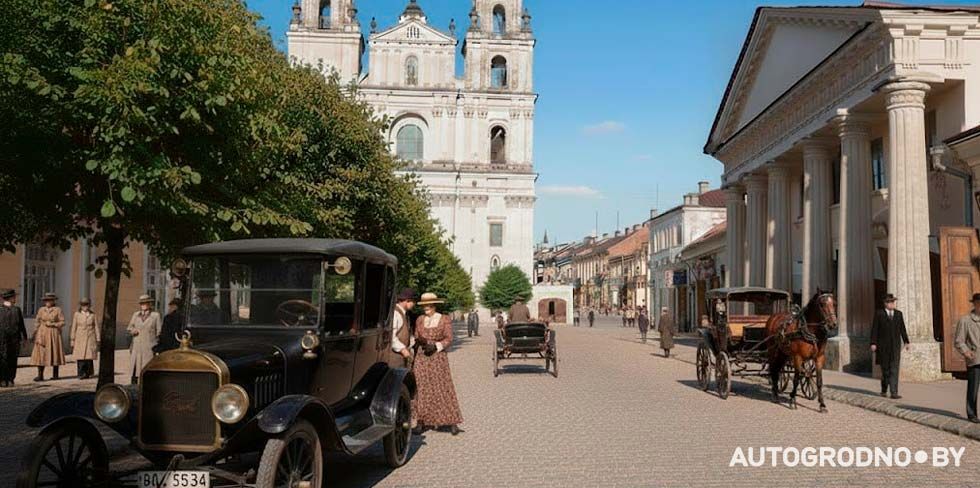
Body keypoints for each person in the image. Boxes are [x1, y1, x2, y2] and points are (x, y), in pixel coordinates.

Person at [412, 292, 463, 435]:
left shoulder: (444, 319)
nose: (426, 308)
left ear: (434, 305)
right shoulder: (420, 319)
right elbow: (416, 335)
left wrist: (436, 346)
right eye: (424, 305)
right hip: (422, 358)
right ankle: (421, 421)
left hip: (438, 357)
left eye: (428, 305)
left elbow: (449, 338)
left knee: (442, 387)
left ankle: (451, 420)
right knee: (421, 387)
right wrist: (417, 343)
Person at [870, 293, 910, 399]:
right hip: (883, 347)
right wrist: (873, 343)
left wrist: (906, 341)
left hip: (895, 346)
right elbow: (875, 329)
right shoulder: (879, 314)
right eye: (890, 302)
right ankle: (884, 390)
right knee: (886, 371)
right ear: (885, 304)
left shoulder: (898, 314)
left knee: (894, 369)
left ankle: (894, 392)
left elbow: (902, 328)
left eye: (893, 302)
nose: (893, 304)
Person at [954, 293, 980, 423]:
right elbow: (959, 341)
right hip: (975, 359)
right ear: (974, 304)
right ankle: (972, 413)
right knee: (973, 388)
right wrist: (966, 352)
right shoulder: (965, 320)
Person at [31, 292, 66, 381]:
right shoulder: (41, 310)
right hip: (42, 333)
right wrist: (35, 332)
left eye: (49, 300)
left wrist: (53, 324)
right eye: (46, 300)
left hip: (53, 333)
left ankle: (55, 374)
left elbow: (62, 322)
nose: (47, 302)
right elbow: (37, 321)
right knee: (40, 353)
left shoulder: (58, 310)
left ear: (53, 301)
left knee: (54, 352)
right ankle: (40, 375)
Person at [128, 294, 161, 384]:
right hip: (137, 345)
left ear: (150, 304)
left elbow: (159, 331)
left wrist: (156, 344)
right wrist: (133, 331)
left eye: (146, 303)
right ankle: (134, 385)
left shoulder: (155, 315)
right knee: (135, 367)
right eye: (142, 304)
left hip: (149, 346)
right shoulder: (136, 315)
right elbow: (129, 327)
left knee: (147, 366)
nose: (144, 305)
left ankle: (147, 384)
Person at [0, 289, 27, 387]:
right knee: (3, 358)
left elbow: (21, 325)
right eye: (14, 297)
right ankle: (2, 379)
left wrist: (24, 337)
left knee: (13, 359)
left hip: (15, 339)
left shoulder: (17, 309)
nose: (15, 298)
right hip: (2, 339)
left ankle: (11, 379)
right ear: (10, 298)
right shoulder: (0, 309)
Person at [70, 298, 99, 379]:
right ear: (81, 306)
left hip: (90, 336)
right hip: (80, 337)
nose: (85, 307)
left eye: (86, 305)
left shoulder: (93, 315)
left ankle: (88, 373)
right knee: (80, 356)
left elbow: (96, 326)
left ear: (89, 306)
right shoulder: (77, 314)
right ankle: (81, 373)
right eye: (83, 305)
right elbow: (74, 327)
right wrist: (72, 339)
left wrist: (98, 338)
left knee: (89, 356)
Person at [391, 289, 416, 368]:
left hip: (401, 355)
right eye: (413, 302)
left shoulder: (404, 314)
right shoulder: (396, 314)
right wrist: (402, 349)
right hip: (395, 356)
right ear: (407, 301)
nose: (414, 304)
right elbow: (391, 336)